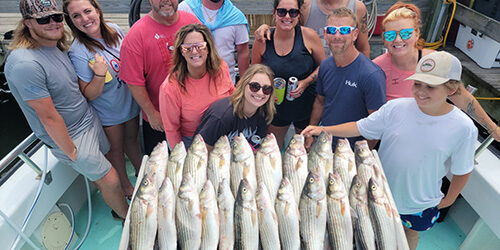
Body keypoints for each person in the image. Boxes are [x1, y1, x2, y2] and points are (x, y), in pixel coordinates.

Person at [302, 51, 478, 250]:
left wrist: (450, 199)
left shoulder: (464, 128)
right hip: (378, 193)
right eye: (417, 84)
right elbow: (361, 126)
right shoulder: (395, 108)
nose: (420, 91)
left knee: (410, 233)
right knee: (370, 234)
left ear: (452, 88)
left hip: (420, 202)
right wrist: (323, 129)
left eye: (430, 86)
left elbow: (463, 169)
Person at [6, 0, 128, 219]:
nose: (53, 23)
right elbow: (48, 116)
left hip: (88, 119)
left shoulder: (55, 46)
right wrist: (71, 152)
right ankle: (126, 216)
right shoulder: (24, 63)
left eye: (57, 17)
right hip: (72, 135)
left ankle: (114, 201)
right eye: (44, 19)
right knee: (110, 178)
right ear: (27, 24)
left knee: (105, 171)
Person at [373, 2, 500, 142]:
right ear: (384, 39)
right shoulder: (376, 68)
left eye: (405, 33)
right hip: (394, 139)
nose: (398, 39)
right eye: (390, 35)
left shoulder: (436, 62)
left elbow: (462, 98)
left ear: (416, 34)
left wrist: (493, 128)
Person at [63, 0, 142, 198]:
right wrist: (98, 74)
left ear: (98, 10)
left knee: (132, 141)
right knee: (115, 151)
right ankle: (126, 187)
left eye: (87, 11)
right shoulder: (78, 51)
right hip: (109, 112)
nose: (85, 19)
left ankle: (145, 175)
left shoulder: (115, 30)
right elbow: (89, 93)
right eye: (76, 16)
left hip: (129, 102)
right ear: (71, 22)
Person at [119, 0, 200, 155]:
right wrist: (152, 114)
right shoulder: (136, 36)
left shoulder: (192, 22)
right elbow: (133, 82)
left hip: (194, 117)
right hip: (160, 120)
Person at [307, 7, 385, 150]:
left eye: (344, 30)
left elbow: (377, 126)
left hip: (351, 151)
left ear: (355, 34)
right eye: (331, 30)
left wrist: (359, 156)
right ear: (325, 34)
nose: (337, 36)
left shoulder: (371, 74)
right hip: (325, 144)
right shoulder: (325, 66)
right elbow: (320, 102)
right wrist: (311, 133)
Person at [252, 0, 325, 149]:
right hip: (275, 109)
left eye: (293, 12)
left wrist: (305, 82)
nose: (287, 16)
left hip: (306, 107)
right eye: (281, 12)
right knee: (270, 153)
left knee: (306, 155)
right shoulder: (263, 40)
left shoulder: (308, 36)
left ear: (299, 14)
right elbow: (254, 74)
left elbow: (324, 67)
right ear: (274, 13)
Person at [159, 23, 234, 149]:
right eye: (187, 48)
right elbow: (172, 130)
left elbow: (233, 95)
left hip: (225, 134)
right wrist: (182, 159)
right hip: (193, 142)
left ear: (208, 48)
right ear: (181, 52)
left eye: (200, 46)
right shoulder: (170, 87)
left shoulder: (221, 67)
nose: (194, 51)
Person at [195, 64, 276, 151]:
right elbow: (202, 152)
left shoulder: (264, 113)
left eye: (266, 89)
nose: (260, 93)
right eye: (254, 86)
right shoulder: (222, 116)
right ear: (243, 84)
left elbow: (256, 146)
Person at [255, 0, 370, 57]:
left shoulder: (358, 7)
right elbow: (288, 25)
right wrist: (267, 28)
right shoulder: (306, 6)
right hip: (313, 76)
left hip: (346, 72)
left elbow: (363, 48)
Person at [178, 0, 250, 83]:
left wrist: (243, 85)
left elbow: (243, 52)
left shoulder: (236, 17)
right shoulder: (185, 8)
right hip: (189, 82)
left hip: (224, 84)